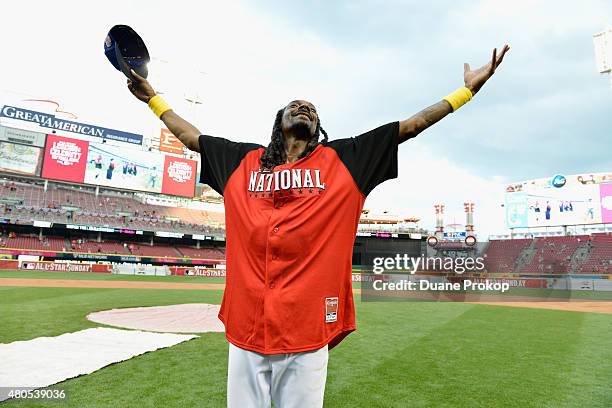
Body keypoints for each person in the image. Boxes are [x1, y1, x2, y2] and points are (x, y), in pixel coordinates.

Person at [126, 44, 509, 408]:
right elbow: (192, 138)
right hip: (247, 324)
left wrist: (465, 93)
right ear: (279, 123)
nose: (304, 107)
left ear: (318, 126)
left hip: (306, 326)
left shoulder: (344, 160)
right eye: (295, 105)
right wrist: (153, 99)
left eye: (311, 108)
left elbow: (409, 127)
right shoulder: (243, 161)